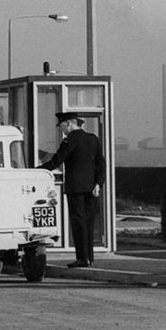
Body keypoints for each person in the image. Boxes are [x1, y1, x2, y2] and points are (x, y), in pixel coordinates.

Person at [39, 112, 106, 268]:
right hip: (91, 188)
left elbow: (56, 161)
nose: (61, 129)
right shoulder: (93, 139)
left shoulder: (70, 140)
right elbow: (101, 163)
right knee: (88, 222)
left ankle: (82, 258)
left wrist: (36, 170)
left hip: (75, 187)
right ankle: (89, 257)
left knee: (78, 222)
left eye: (62, 125)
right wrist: (98, 183)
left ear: (69, 123)